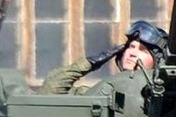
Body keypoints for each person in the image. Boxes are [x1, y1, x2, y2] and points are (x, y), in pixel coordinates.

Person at [39, 19, 169, 93]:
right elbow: (51, 89)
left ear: (158, 62)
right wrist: (89, 63)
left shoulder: (165, 97)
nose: (133, 52)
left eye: (142, 50)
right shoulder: (105, 93)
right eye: (131, 47)